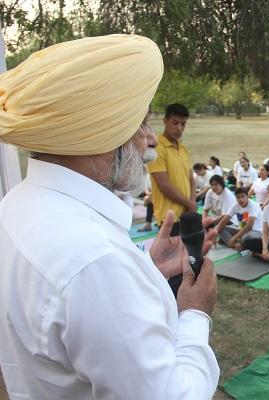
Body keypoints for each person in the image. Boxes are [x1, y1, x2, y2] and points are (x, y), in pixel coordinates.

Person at [0, 35, 219, 398]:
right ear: (98, 130)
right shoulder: (96, 262)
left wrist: (144, 269)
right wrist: (195, 314)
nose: (150, 139)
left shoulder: (16, 204)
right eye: (140, 123)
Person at [148, 103, 197, 228]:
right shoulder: (157, 148)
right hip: (169, 218)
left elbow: (191, 180)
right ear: (165, 121)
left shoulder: (183, 149)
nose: (179, 128)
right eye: (175, 123)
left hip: (186, 215)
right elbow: (164, 185)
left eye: (183, 124)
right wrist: (189, 203)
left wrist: (191, 203)